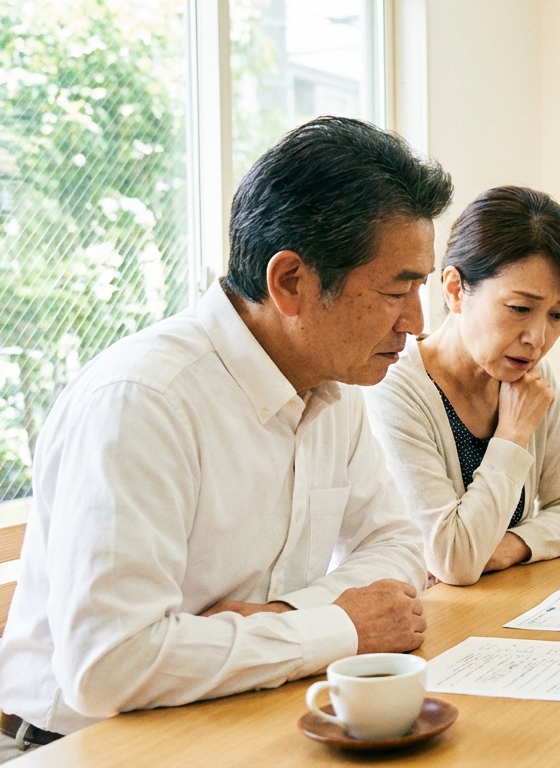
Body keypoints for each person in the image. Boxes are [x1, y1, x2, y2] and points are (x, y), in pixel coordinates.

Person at [0, 116, 453, 760]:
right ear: (291, 282)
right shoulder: (144, 402)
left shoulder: (331, 385)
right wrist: (338, 625)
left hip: (239, 715)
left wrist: (293, 617)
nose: (416, 322)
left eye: (420, 286)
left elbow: (394, 543)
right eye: (394, 290)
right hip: (84, 746)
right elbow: (108, 668)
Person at [365, 186, 560, 586]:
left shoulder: (533, 378)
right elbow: (452, 558)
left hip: (500, 605)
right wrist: (512, 434)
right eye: (520, 309)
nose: (537, 338)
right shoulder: (394, 388)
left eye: (557, 315)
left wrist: (509, 546)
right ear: (455, 289)